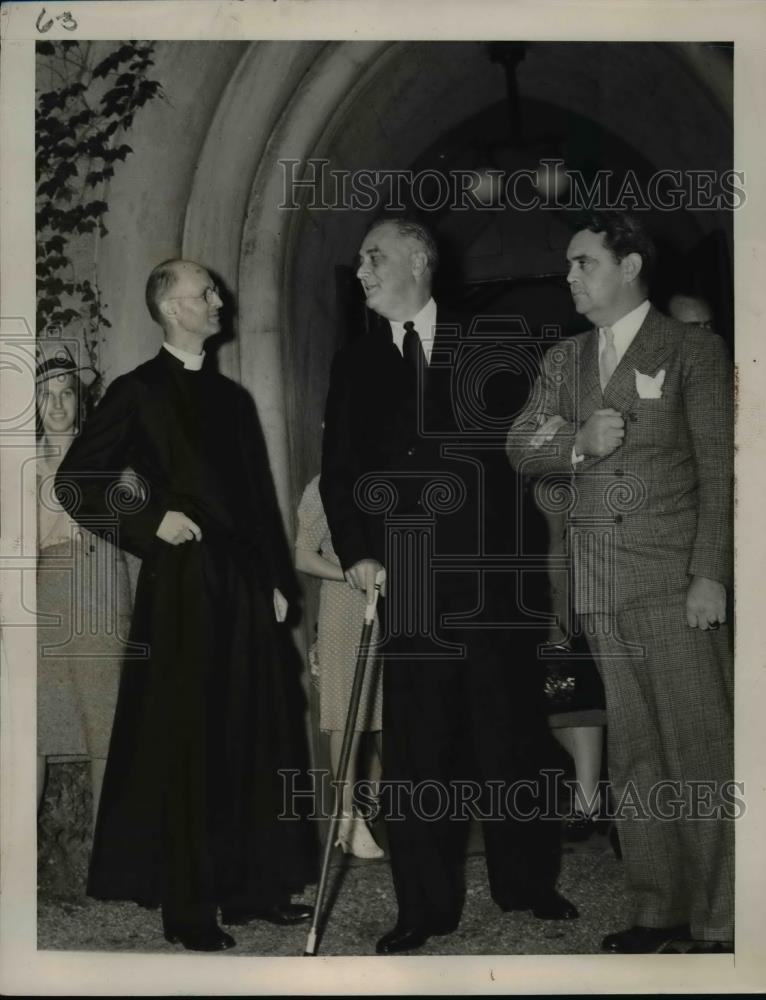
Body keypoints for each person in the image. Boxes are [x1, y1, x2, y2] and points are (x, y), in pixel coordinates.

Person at [320, 216, 575, 956]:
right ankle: (423, 907)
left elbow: (527, 449)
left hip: (493, 579)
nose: (362, 270)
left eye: (375, 256)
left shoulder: (491, 343)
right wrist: (358, 553)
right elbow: (340, 471)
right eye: (360, 260)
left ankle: (526, 882)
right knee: (418, 747)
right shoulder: (355, 362)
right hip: (409, 581)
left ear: (418, 261)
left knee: (510, 733)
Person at [55, 259, 316, 952]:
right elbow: (77, 480)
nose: (218, 299)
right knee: (190, 738)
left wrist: (275, 581)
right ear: (172, 308)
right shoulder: (137, 391)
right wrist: (151, 521)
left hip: (244, 586)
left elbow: (257, 501)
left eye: (216, 291)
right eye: (204, 292)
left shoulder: (233, 399)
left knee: (254, 728)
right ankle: (189, 907)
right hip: (184, 587)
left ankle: (255, 888)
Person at [507, 211, 734, 954]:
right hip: (601, 588)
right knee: (634, 752)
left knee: (699, 750)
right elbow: (520, 442)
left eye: (585, 263)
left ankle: (722, 919)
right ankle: (658, 910)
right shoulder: (565, 358)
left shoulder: (691, 349)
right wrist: (576, 442)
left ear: (630, 266)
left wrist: (709, 575)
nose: (570, 277)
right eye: (570, 266)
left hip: (674, 585)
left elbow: (721, 473)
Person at [36, 343, 131, 832]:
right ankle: (17, 852)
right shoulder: (19, 464)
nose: (57, 404)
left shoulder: (106, 455)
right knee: (35, 726)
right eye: (46, 394)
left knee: (106, 723)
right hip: (46, 595)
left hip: (100, 588)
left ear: (80, 400)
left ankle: (107, 851)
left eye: (66, 393)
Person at [295, 473, 384, 859]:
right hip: (345, 609)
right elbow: (302, 555)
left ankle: (374, 803)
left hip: (396, 610)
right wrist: (350, 576)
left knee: (387, 715)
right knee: (348, 717)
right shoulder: (325, 485)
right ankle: (348, 818)